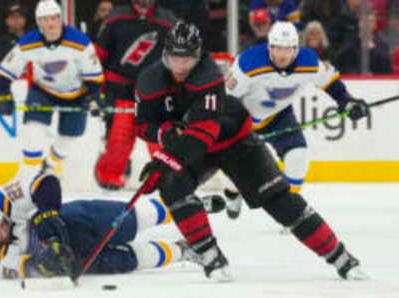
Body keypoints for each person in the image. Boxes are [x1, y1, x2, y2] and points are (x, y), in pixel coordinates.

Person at [134, 21, 368, 281]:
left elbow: (204, 133)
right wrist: (164, 135)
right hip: (196, 144)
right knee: (171, 183)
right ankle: (210, 256)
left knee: (280, 201)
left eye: (187, 58)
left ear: (198, 56)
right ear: (165, 54)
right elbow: (143, 124)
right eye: (175, 58)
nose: (181, 66)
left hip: (235, 141)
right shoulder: (149, 79)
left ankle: (340, 257)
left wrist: (167, 157)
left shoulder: (208, 75)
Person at [0, 167, 226, 278]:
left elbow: (46, 181)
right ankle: (183, 251)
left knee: (134, 218)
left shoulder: (2, 199)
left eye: (0, 224)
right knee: (131, 260)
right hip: (75, 256)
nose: (0, 232)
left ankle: (187, 208)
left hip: (74, 219)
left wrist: (47, 212)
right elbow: (29, 270)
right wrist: (50, 264)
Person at [225, 21, 370, 205]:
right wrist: (235, 128)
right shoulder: (248, 63)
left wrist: (347, 102)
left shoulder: (309, 61)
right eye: (278, 48)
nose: (283, 55)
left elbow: (331, 82)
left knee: (298, 156)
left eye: (288, 49)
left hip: (278, 116)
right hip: (244, 118)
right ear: (270, 46)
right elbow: (226, 100)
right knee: (237, 172)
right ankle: (232, 194)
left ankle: (290, 207)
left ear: (296, 48)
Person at [0, 0, 104, 189]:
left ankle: (51, 164)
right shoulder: (28, 42)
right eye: (45, 20)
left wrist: (95, 98)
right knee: (33, 135)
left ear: (61, 19)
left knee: (70, 136)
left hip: (76, 93)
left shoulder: (80, 42)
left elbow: (94, 76)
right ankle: (25, 180)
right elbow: (4, 73)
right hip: (42, 92)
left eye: (54, 18)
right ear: (38, 22)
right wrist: (3, 95)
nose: (51, 24)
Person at [94, 0, 176, 190]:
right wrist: (96, 87)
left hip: (155, 92)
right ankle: (109, 176)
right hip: (120, 89)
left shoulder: (168, 20)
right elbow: (99, 54)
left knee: (159, 137)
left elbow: (178, 57)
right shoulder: (116, 17)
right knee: (119, 137)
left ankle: (166, 175)